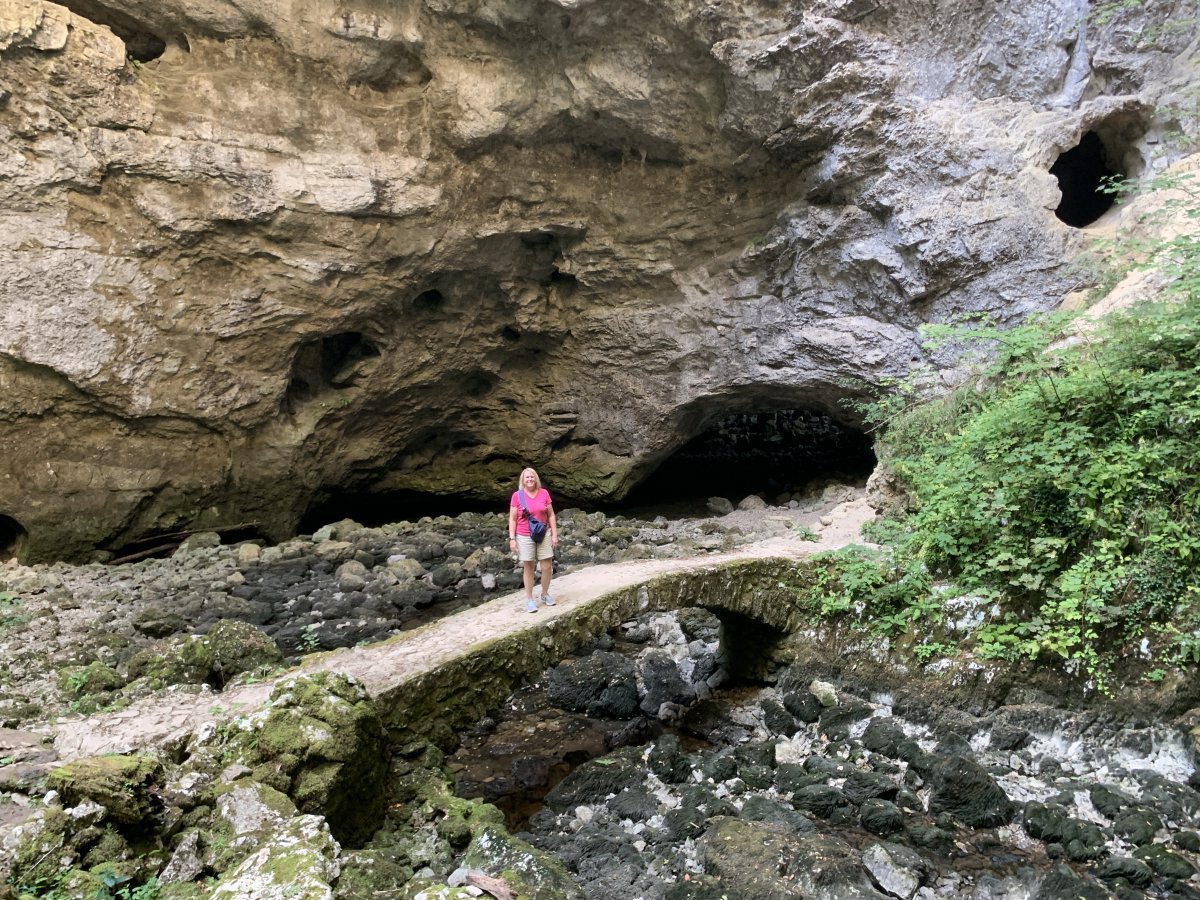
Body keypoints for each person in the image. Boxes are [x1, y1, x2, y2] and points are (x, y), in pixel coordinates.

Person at [508, 466, 559, 613]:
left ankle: (544, 594)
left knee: (546, 566)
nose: (530, 479)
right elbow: (512, 519)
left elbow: (551, 515)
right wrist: (512, 538)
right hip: (524, 534)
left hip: (544, 532)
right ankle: (530, 599)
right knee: (529, 566)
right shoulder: (517, 496)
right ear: (523, 480)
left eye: (532, 476)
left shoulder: (544, 493)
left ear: (536, 478)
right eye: (527, 477)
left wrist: (554, 535)